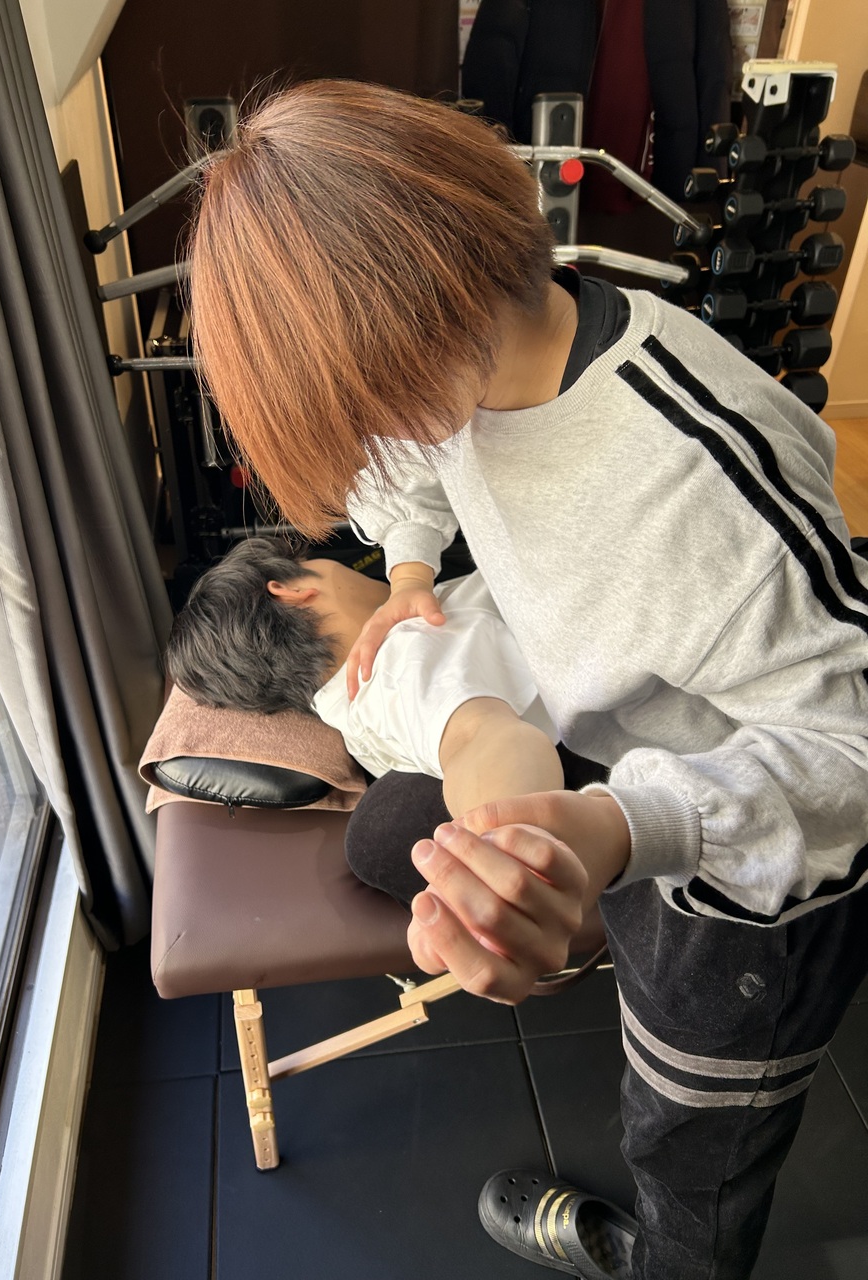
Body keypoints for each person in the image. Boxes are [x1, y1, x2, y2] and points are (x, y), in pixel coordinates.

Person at [188, 80, 868, 1279]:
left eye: (365, 407)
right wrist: (407, 568)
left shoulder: (698, 482)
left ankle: (667, 1257)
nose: (376, 441)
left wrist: (615, 826)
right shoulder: (467, 372)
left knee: (693, 1139)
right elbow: (410, 465)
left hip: (754, 883)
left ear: (416, 333)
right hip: (627, 788)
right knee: (632, 1060)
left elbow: (853, 747)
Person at [164, 535, 565, 836]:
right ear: (289, 592)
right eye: (307, 560)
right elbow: (483, 740)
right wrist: (503, 846)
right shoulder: (400, 666)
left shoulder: (359, 714)